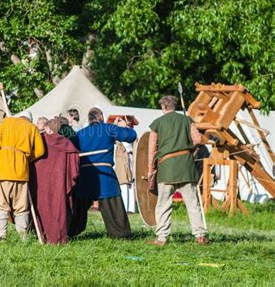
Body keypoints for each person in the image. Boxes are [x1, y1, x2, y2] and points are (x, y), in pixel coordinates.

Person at [147, 96, 209, 246]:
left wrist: (150, 169)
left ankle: (162, 238)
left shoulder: (157, 124)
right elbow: (198, 140)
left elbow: (152, 149)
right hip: (186, 167)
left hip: (166, 168)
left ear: (163, 107)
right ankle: (200, 235)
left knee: (163, 204)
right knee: (193, 203)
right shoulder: (187, 120)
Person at [69, 107, 137, 239]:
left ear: (89, 119)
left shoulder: (80, 133)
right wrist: (123, 127)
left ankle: (69, 231)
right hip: (104, 176)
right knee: (113, 205)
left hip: (85, 176)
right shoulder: (108, 128)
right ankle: (120, 234)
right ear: (101, 117)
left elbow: (70, 147)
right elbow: (131, 136)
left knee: (78, 208)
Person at [0, 111, 45, 241]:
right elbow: (40, 151)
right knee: (21, 207)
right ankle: (23, 237)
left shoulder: (5, 123)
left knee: (0, 205)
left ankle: (1, 235)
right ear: (29, 119)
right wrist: (25, 159)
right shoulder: (32, 128)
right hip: (20, 172)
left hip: (2, 170)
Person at [29, 118, 80, 244]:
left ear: (48, 128)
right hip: (59, 184)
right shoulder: (66, 143)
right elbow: (75, 165)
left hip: (40, 183)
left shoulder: (40, 141)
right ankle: (57, 237)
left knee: (42, 206)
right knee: (58, 207)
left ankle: (42, 234)